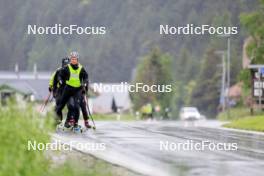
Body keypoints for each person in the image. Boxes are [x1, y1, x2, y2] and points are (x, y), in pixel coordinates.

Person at [55, 51, 92, 128]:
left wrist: (85, 83)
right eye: (72, 59)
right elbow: (60, 75)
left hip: (77, 90)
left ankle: (74, 123)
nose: (73, 60)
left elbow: (86, 77)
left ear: (77, 60)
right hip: (68, 89)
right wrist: (60, 80)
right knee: (61, 105)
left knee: (76, 106)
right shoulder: (67, 67)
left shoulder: (81, 68)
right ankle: (55, 120)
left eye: (74, 59)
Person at [49, 57, 80, 127]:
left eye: (67, 64)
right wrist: (52, 89)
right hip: (60, 91)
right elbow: (53, 80)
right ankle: (58, 120)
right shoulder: (58, 71)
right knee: (58, 106)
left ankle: (68, 121)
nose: (66, 66)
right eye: (65, 64)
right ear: (62, 64)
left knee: (72, 106)